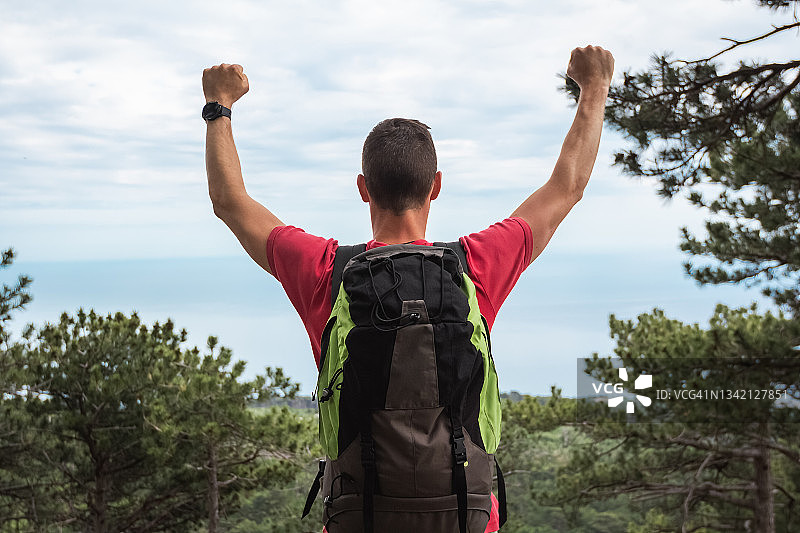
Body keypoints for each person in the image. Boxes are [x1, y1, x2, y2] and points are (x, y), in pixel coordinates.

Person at [202, 45, 614, 533]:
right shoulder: (475, 267)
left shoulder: (326, 270)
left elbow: (229, 201)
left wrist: (218, 105)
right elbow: (566, 187)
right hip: (466, 517)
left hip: (361, 515)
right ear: (435, 185)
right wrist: (594, 88)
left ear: (363, 188)